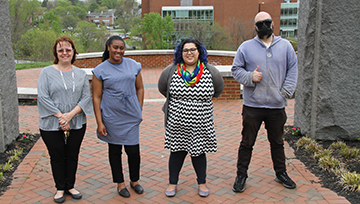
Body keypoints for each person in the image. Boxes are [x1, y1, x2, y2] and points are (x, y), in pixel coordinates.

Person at [231, 11, 298, 193]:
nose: (264, 26)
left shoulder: (285, 46)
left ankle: (281, 173)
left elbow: (293, 69)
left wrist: (285, 92)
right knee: (247, 143)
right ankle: (241, 175)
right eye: (260, 24)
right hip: (253, 106)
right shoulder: (245, 47)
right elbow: (236, 70)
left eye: (267, 22)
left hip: (276, 106)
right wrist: (250, 77)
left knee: (277, 142)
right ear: (255, 27)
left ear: (273, 24)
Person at [158, 38, 224, 197]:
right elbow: (162, 88)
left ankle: (202, 183)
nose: (189, 53)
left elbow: (218, 89)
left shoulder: (210, 71)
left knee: (199, 154)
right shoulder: (171, 70)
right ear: (180, 53)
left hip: (202, 124)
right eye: (185, 50)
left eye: (193, 49)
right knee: (176, 153)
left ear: (199, 51)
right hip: (177, 123)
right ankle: (172, 182)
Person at [37, 36, 93, 203]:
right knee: (57, 155)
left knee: (72, 155)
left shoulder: (81, 74)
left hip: (76, 121)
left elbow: (86, 98)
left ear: (73, 51)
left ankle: (70, 185)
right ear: (56, 52)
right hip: (51, 123)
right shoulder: (46, 72)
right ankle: (60, 188)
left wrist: (70, 116)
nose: (64, 53)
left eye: (68, 49)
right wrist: (61, 117)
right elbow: (43, 97)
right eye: (60, 49)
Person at [92, 36, 144, 198]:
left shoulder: (133, 65)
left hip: (130, 116)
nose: (118, 51)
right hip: (112, 117)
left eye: (121, 48)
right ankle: (120, 183)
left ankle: (134, 181)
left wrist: (139, 108)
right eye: (115, 47)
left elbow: (140, 88)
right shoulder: (100, 70)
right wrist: (100, 122)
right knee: (115, 151)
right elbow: (96, 97)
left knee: (133, 151)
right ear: (108, 47)